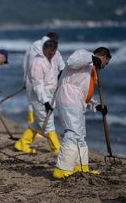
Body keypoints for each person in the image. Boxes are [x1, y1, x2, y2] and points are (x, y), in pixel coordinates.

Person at [53, 47, 111, 179]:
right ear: (104, 57)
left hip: (77, 102)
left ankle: (81, 167)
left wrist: (97, 106)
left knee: (80, 135)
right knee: (72, 133)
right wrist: (91, 58)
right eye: (106, 63)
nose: (104, 67)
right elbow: (71, 62)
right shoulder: (83, 54)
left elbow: (85, 93)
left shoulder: (92, 70)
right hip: (68, 98)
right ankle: (61, 169)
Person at [14, 40, 61, 154]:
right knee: (48, 124)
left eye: (53, 53)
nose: (51, 55)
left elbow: (60, 68)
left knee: (36, 124)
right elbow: (37, 85)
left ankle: (22, 144)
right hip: (39, 98)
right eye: (49, 53)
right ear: (44, 50)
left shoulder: (54, 58)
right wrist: (45, 102)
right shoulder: (37, 62)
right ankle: (58, 150)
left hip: (51, 95)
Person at [23, 32, 65, 125]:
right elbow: (59, 65)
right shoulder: (48, 47)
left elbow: (26, 62)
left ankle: (34, 126)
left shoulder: (36, 44)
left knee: (34, 104)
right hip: (40, 80)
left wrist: (25, 78)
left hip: (33, 79)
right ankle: (36, 126)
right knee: (41, 104)